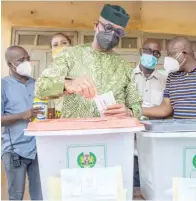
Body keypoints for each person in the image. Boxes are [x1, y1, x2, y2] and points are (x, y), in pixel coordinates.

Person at [35, 4, 142, 118]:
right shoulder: (69, 55)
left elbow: (137, 106)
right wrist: (67, 84)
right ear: (96, 25)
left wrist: (130, 112)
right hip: (75, 132)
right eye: (108, 28)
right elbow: (40, 89)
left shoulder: (124, 66)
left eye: (118, 32)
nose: (112, 34)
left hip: (112, 133)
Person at [1, 46, 43, 200]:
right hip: (14, 151)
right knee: (16, 196)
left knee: (40, 196)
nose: (26, 62)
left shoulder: (37, 84)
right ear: (10, 64)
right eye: (21, 60)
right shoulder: (3, 85)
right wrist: (22, 115)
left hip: (37, 149)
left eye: (27, 58)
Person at [133, 39, 166, 187]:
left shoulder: (165, 81)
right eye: (147, 51)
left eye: (156, 53)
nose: (151, 55)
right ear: (141, 51)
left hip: (156, 145)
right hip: (131, 146)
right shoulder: (127, 77)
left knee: (155, 187)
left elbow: (167, 110)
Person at [49, 33, 72, 118]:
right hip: (63, 117)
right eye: (55, 45)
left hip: (86, 118)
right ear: (51, 50)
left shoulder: (82, 65)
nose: (60, 47)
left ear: (70, 46)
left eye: (64, 43)